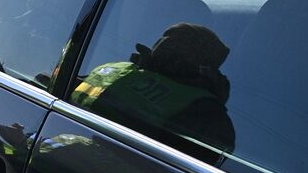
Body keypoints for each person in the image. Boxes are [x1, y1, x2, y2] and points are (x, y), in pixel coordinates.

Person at [72, 22, 237, 164]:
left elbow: (69, 90)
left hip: (66, 153)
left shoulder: (116, 69)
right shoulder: (204, 111)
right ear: (204, 66)